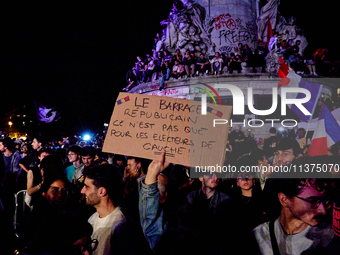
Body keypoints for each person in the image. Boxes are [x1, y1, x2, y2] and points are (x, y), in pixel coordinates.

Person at [81, 164, 150, 255]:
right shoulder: (93, 218)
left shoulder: (122, 226)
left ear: (102, 191)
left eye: (87, 187)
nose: (82, 191)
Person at [252, 178, 334, 254]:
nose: (323, 210)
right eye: (312, 201)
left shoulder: (329, 237)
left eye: (324, 201)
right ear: (284, 199)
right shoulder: (258, 236)